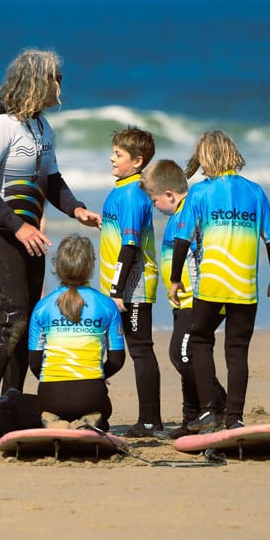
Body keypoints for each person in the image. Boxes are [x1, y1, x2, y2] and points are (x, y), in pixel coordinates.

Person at [0, 49, 101, 398]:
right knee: (12, 318)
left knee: (26, 325)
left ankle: (10, 400)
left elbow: (52, 180)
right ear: (38, 82)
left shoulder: (42, 127)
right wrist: (18, 227)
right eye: (56, 77)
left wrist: (77, 210)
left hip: (30, 236)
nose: (60, 84)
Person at [170, 130, 270, 432]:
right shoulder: (255, 191)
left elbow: (182, 239)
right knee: (237, 350)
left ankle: (208, 411)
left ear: (206, 157)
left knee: (201, 341)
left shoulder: (200, 193)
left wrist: (174, 280)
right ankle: (235, 417)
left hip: (211, 284)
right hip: (245, 286)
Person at [140, 159, 227, 438]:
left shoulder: (189, 212)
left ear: (169, 195)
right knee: (184, 353)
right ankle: (191, 418)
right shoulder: (177, 215)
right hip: (182, 302)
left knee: (181, 354)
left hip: (198, 301)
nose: (154, 207)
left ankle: (218, 405)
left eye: (155, 201)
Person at [100, 126, 162, 437]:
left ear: (137, 161)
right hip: (119, 287)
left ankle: (150, 420)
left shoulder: (134, 194)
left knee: (140, 349)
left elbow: (130, 245)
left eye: (119, 154)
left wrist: (116, 290)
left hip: (132, 287)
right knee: (116, 349)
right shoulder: (120, 189)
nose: (112, 157)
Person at [29, 234, 126, 431]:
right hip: (91, 394)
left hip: (51, 395)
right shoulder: (107, 305)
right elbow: (117, 360)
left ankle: (52, 417)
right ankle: (91, 418)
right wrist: (98, 375)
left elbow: (34, 363)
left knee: (40, 407)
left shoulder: (42, 307)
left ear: (57, 265)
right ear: (91, 265)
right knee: (103, 411)